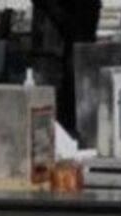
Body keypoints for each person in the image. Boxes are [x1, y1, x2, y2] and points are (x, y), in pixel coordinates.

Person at [30, 0, 102, 136]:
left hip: (75, 44)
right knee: (50, 101)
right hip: (51, 46)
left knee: (70, 99)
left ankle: (70, 136)